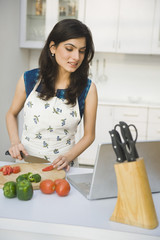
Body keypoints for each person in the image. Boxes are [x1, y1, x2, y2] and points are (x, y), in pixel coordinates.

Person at [6, 19, 98, 171]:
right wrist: (15, 142)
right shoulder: (29, 79)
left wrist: (68, 157)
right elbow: (11, 114)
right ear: (53, 48)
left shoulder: (88, 89)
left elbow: (89, 136)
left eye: (82, 51)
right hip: (26, 165)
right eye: (70, 49)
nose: (76, 57)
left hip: (63, 169)